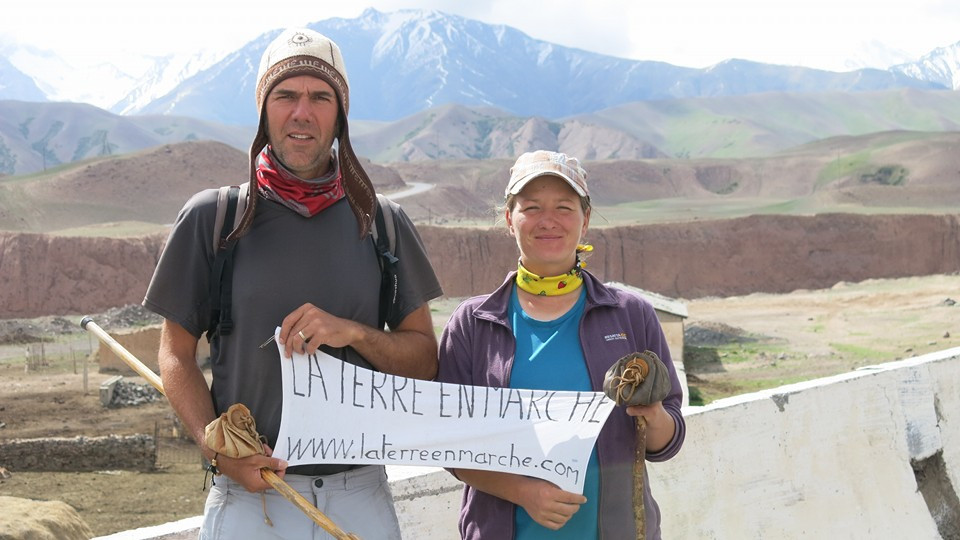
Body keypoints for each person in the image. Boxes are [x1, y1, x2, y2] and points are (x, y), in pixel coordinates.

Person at [143, 28, 443, 539]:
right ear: (264, 109)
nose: (302, 112)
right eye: (286, 95)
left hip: (359, 493)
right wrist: (216, 449)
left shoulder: (382, 223)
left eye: (320, 97)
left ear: (340, 114)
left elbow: (424, 361)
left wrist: (357, 333)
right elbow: (175, 354)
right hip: (249, 497)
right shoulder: (213, 219)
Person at [437, 150, 686, 539]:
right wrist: (524, 493)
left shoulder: (630, 314)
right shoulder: (473, 324)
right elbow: (449, 442)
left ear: (585, 220)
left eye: (564, 208)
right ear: (509, 219)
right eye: (531, 207)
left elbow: (666, 440)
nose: (548, 221)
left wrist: (653, 415)